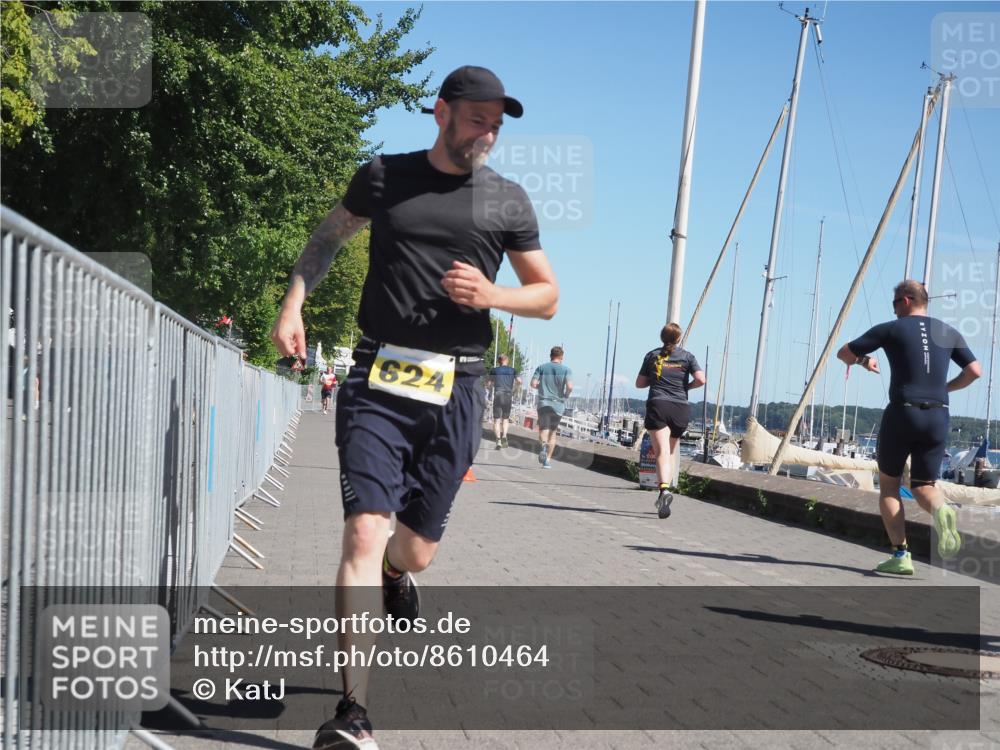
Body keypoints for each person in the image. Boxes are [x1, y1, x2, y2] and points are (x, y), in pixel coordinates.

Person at [270, 65, 558, 750]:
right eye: (478, 117)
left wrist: (492, 296)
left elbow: (546, 295)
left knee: (417, 550)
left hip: (457, 388)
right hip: (376, 378)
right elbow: (328, 239)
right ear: (442, 112)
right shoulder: (383, 176)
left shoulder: (508, 201)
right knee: (364, 532)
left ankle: (400, 575)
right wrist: (293, 300)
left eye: (497, 121)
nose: (489, 131)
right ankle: (354, 713)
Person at [837, 279, 980, 575]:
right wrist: (945, 388)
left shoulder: (891, 328)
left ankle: (900, 555)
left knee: (889, 486)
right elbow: (974, 371)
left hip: (903, 413)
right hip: (938, 415)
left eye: (894, 304)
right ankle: (942, 510)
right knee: (925, 486)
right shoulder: (947, 331)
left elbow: (844, 354)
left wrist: (864, 361)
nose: (893, 309)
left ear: (905, 300)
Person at [635, 323, 706, 519]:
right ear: (679, 338)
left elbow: (639, 383)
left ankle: (663, 490)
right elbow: (701, 379)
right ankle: (664, 493)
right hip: (680, 408)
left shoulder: (652, 355)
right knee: (670, 453)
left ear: (662, 337)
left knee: (661, 454)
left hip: (659, 405)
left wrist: (656, 379)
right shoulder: (688, 356)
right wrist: (686, 387)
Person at [530, 346, 573, 469]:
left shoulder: (542, 368)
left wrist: (541, 387)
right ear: (561, 357)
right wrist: (566, 395)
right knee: (553, 432)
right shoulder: (566, 370)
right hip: (558, 405)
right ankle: (547, 460)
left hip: (544, 403)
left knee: (543, 429)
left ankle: (543, 445)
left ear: (551, 355)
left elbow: (533, 384)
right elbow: (570, 386)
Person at [488, 353, 521, 448]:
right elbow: (519, 381)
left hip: (498, 395)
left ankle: (498, 440)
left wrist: (490, 386)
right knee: (505, 419)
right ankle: (504, 436)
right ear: (507, 360)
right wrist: (515, 389)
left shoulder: (494, 370)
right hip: (508, 395)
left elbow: (489, 384)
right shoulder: (513, 370)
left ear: (499, 361)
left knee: (496, 420)